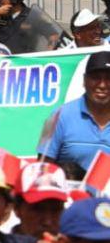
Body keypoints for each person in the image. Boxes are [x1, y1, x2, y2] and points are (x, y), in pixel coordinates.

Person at [40, 50, 110, 179]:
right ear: (84, 80)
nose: (102, 85)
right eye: (95, 77)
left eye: (108, 78)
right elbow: (41, 168)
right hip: (68, 191)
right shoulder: (56, 116)